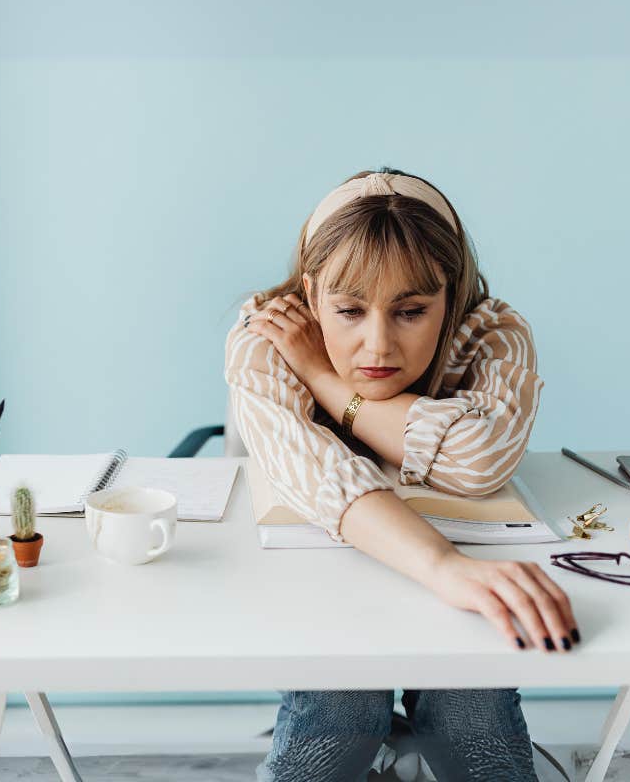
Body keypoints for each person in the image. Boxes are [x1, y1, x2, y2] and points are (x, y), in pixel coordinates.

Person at [224, 167, 579, 782]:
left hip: (456, 574)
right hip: (319, 579)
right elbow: (319, 474)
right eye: (349, 310)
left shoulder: (492, 332)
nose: (378, 346)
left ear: (451, 294)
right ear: (311, 295)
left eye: (412, 310)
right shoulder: (267, 332)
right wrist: (444, 568)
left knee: (470, 705)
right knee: (341, 707)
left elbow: (476, 463)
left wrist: (326, 381)